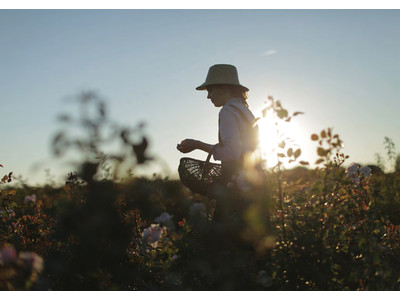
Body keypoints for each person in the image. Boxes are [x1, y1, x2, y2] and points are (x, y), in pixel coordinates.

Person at [177, 64, 260, 209]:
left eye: (210, 90)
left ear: (224, 88)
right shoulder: (245, 111)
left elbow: (231, 152)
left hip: (236, 187)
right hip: (255, 184)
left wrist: (198, 145)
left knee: (228, 229)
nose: (208, 96)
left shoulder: (227, 111)